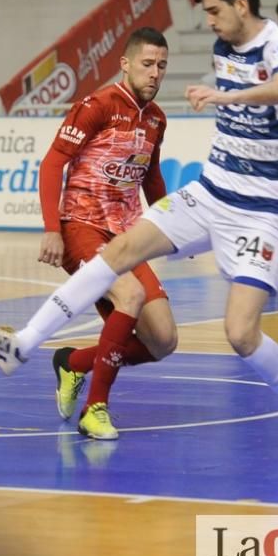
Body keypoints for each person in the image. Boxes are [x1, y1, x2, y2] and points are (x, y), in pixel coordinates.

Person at [0, 0, 278, 452]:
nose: (210, 23)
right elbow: (60, 164)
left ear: (242, 5)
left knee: (240, 334)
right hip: (211, 189)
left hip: (264, 205)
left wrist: (224, 96)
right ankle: (23, 346)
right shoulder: (216, 50)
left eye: (215, 11)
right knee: (119, 259)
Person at [34, 27, 177, 440]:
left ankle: (74, 363)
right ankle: (95, 409)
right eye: (147, 64)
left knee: (163, 340)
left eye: (162, 66)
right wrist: (51, 229)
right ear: (126, 64)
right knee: (129, 296)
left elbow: (151, 179)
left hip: (126, 236)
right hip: (82, 227)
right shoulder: (97, 105)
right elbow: (51, 164)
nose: (155, 73)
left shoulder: (156, 120)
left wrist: (171, 226)